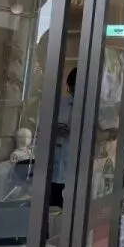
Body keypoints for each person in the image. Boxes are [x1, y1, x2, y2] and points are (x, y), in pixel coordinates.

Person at [51, 67, 75, 207]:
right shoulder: (60, 103)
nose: (71, 93)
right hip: (56, 166)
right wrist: (57, 128)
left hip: (77, 171)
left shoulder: (94, 106)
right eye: (70, 89)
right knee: (54, 206)